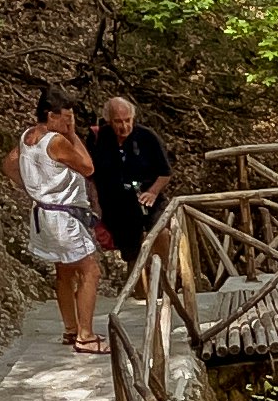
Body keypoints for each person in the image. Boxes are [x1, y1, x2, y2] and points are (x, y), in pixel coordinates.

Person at [15, 93, 106, 354]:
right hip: (63, 218)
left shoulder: (27, 136)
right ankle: (85, 336)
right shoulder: (56, 141)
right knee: (90, 271)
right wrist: (73, 134)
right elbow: (88, 167)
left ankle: (70, 329)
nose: (68, 123)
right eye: (65, 118)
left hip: (43, 214)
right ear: (51, 116)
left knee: (64, 271)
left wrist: (34, 188)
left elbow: (10, 164)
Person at [88, 94, 174, 279]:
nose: (124, 126)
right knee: (131, 250)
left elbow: (165, 172)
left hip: (148, 198)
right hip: (117, 204)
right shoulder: (99, 138)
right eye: (118, 121)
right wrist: (96, 203)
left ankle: (168, 278)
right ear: (109, 120)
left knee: (160, 231)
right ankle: (138, 289)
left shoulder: (147, 137)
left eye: (128, 120)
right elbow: (91, 174)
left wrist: (152, 192)